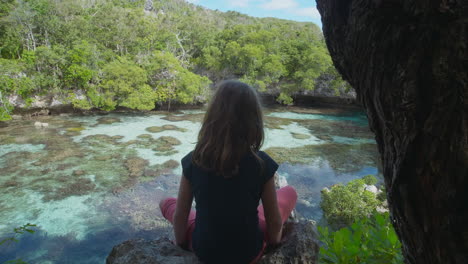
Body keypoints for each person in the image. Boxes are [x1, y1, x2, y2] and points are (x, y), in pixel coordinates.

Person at [159, 80, 297, 264]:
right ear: (254, 120)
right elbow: (274, 222)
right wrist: (273, 244)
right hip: (249, 253)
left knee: (167, 203)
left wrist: (182, 245)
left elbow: (180, 217)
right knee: (290, 193)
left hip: (205, 252)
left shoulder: (194, 159)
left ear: (211, 118)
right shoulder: (262, 163)